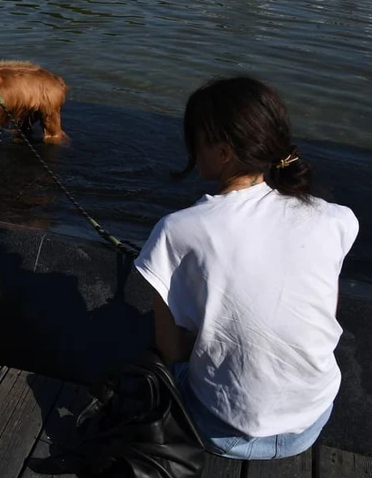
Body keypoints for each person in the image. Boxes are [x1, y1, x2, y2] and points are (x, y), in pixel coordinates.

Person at [134, 76, 358, 460]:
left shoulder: (176, 231)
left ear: (222, 153)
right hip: (309, 423)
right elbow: (324, 313)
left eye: (195, 140)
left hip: (219, 431)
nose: (190, 148)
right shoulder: (335, 219)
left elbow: (170, 351)